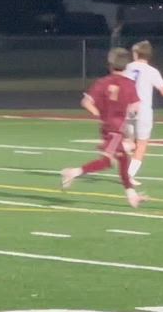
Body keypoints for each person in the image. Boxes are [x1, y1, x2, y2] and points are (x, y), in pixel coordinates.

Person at [60, 47, 144, 208]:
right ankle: (73, 172)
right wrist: (129, 128)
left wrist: (100, 115)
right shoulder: (129, 84)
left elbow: (86, 102)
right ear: (126, 66)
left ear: (110, 65)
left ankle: (132, 196)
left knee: (121, 160)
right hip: (117, 128)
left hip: (108, 127)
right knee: (109, 161)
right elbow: (135, 108)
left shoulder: (102, 82)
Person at [123, 40, 163, 185]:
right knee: (141, 144)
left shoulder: (128, 67)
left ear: (136, 53)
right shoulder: (152, 71)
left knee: (130, 141)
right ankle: (129, 175)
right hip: (144, 110)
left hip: (128, 109)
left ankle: (123, 151)